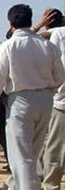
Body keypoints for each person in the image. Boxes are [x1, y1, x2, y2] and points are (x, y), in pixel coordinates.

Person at [0, 4, 64, 190]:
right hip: (45, 101)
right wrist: (48, 91)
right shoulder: (48, 46)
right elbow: (59, 77)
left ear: (11, 22)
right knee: (33, 152)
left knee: (20, 155)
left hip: (20, 101)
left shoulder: (9, 46)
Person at [42, 25, 65, 190]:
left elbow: (52, 63)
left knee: (55, 148)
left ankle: (50, 185)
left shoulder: (60, 33)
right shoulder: (59, 33)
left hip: (61, 100)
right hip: (60, 99)